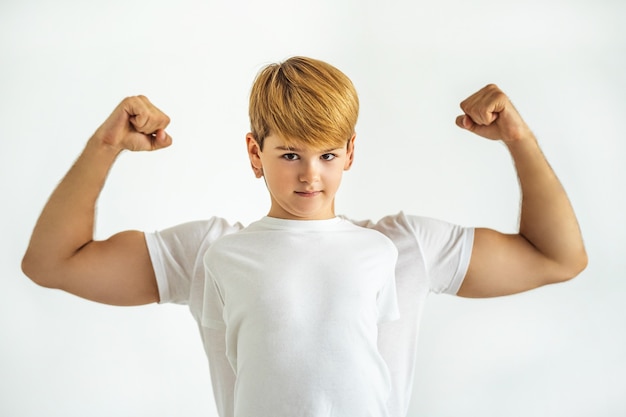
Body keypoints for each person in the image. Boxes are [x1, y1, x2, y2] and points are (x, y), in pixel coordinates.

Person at [21, 56, 587, 417]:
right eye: (289, 154)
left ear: (350, 154)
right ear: (254, 153)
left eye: (327, 154)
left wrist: (518, 137)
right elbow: (53, 264)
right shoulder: (209, 252)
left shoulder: (407, 248)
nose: (310, 174)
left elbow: (557, 259)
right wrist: (106, 144)